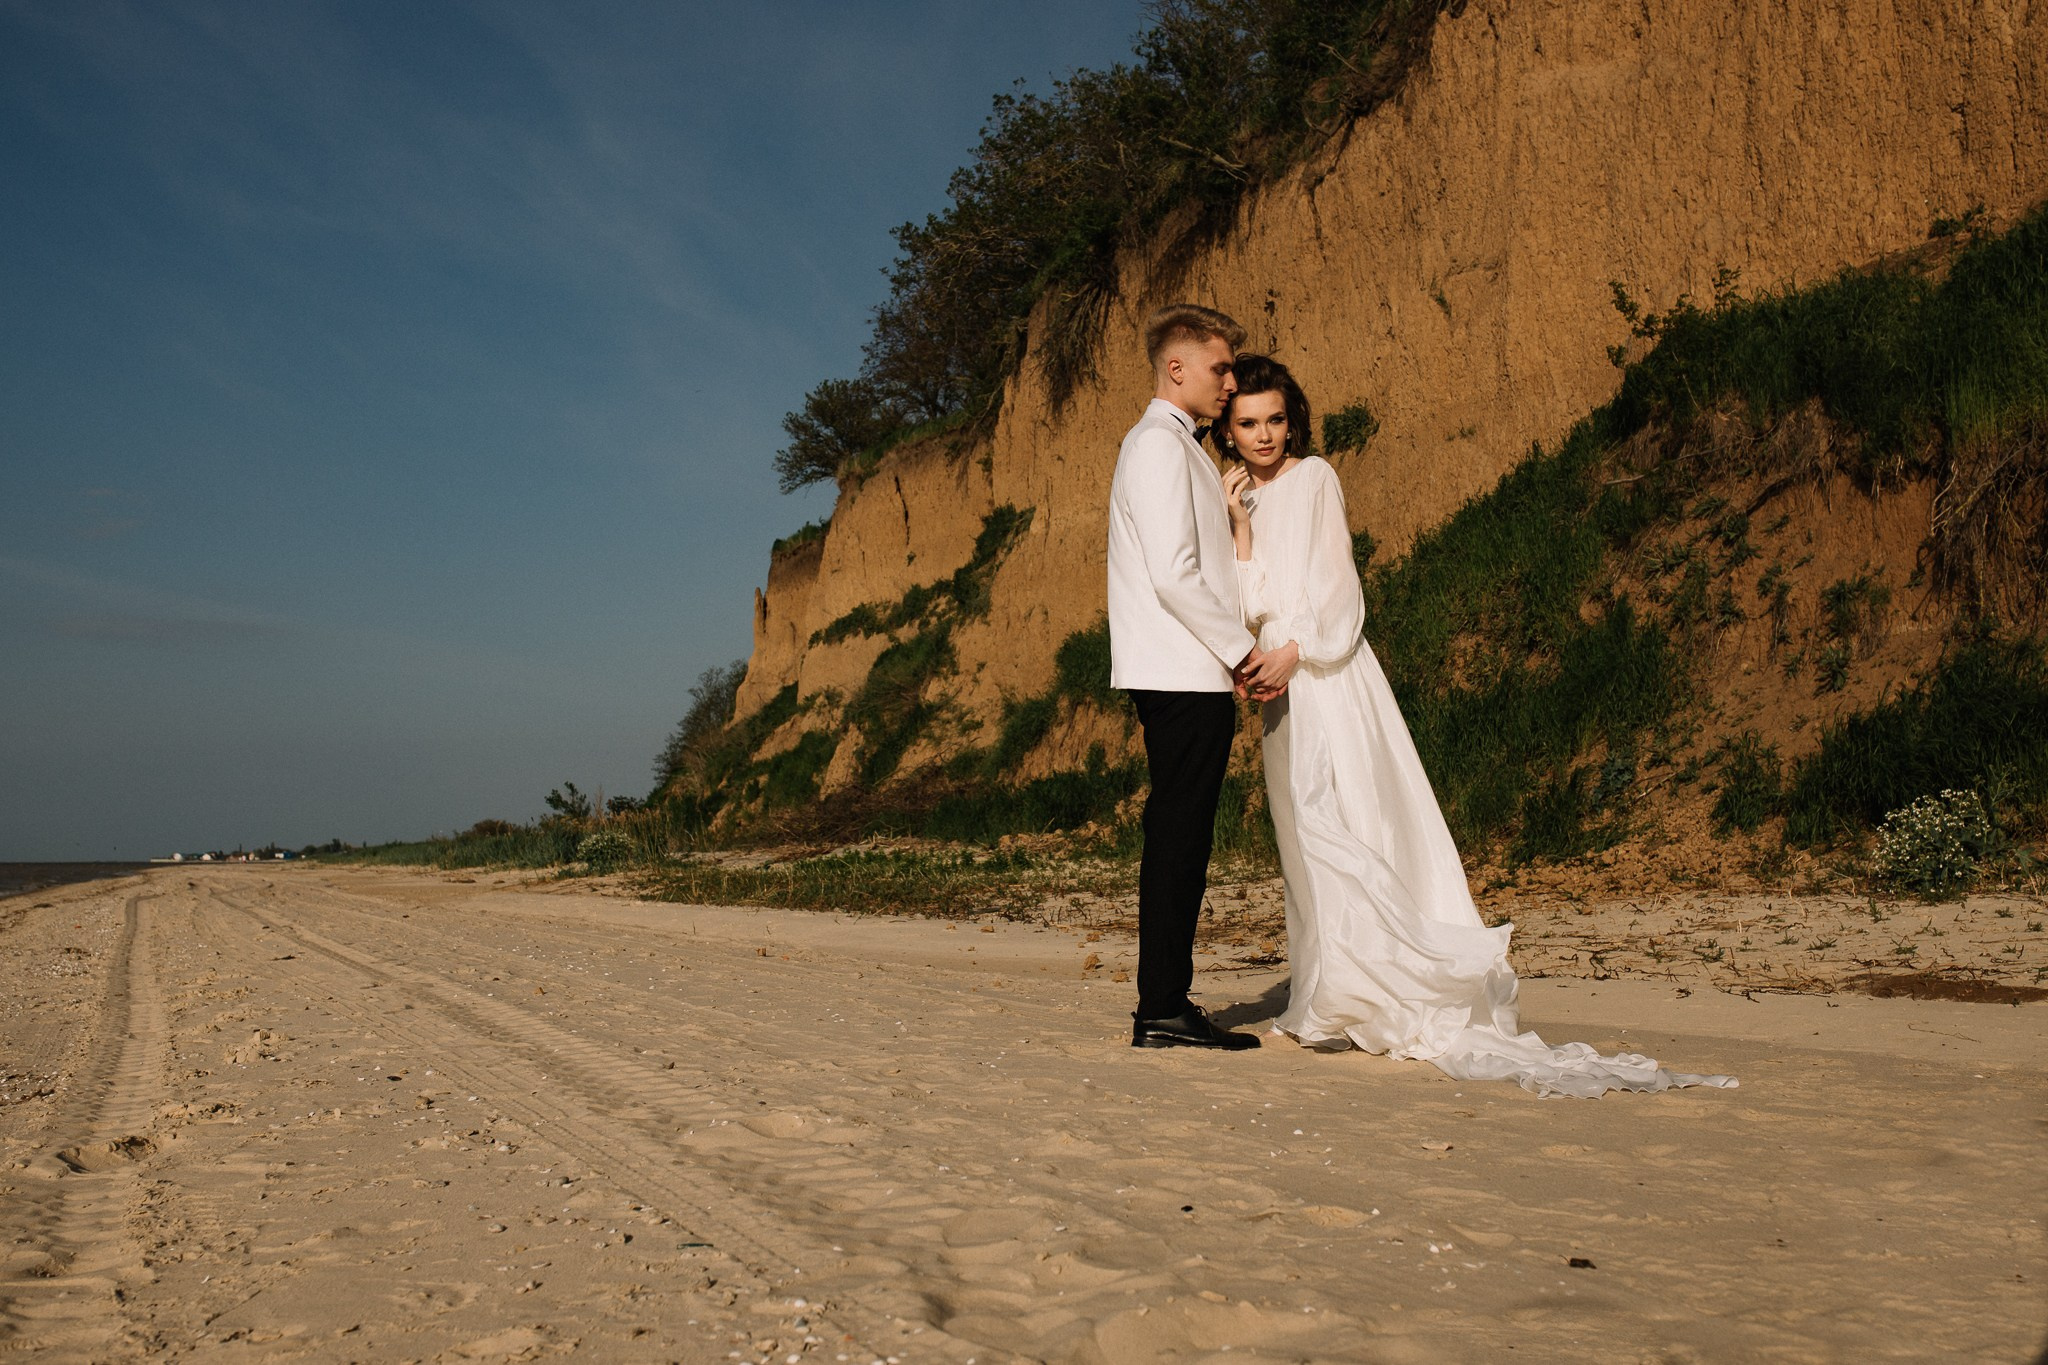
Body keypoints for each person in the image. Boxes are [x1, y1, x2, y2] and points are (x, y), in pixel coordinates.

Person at [1216, 354, 1737, 1097]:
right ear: (1228, 431)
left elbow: (1338, 587)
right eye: (1247, 423)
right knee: (1300, 841)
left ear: (1292, 419)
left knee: (1344, 826)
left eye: (1274, 419)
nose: (1263, 435)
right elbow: (1247, 601)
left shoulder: (1315, 478)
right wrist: (1238, 525)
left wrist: (1297, 650)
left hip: (1327, 675)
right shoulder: (1244, 499)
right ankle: (1322, 994)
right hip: (1278, 685)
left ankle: (1346, 1000)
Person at [1106, 304, 1265, 1050]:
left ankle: (1164, 1001)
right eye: (1220, 366)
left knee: (1183, 839)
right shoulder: (1157, 448)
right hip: (1181, 672)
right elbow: (1174, 575)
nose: (1230, 382)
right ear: (1177, 367)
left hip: (1187, 669)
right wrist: (1241, 651)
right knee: (1178, 841)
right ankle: (1162, 1006)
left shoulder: (1177, 449)